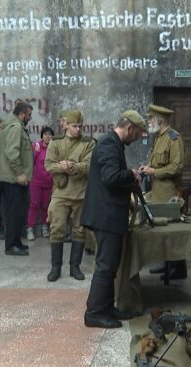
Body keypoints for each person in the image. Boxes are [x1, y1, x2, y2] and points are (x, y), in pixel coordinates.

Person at [80, 110, 146, 328]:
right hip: (105, 216)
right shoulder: (109, 144)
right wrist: (131, 175)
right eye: (136, 134)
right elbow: (110, 177)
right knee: (105, 266)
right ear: (129, 128)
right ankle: (94, 313)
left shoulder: (114, 144)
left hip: (109, 214)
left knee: (110, 265)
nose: (136, 139)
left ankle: (107, 307)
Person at [45, 111, 95, 281]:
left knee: (79, 231)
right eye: (74, 126)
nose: (78, 129)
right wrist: (62, 167)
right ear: (65, 125)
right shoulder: (56, 142)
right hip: (60, 193)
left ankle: (75, 267)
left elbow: (89, 166)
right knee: (56, 229)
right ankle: (55, 268)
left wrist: (72, 166)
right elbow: (48, 166)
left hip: (80, 193)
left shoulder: (89, 143)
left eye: (80, 126)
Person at [139, 104, 186, 280]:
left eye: (151, 118)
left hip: (168, 191)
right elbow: (158, 162)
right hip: (157, 190)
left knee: (172, 230)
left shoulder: (174, 138)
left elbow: (177, 166)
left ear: (160, 119)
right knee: (161, 230)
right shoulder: (159, 137)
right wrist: (148, 168)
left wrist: (154, 172)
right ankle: (166, 263)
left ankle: (178, 268)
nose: (149, 121)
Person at [0, 102, 34, 256]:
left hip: (11, 178)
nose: (30, 118)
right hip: (15, 179)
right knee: (14, 213)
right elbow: (11, 152)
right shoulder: (15, 127)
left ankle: (16, 242)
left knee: (16, 212)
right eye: (29, 115)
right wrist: (20, 173)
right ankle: (11, 246)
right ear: (22, 114)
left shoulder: (7, 126)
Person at [26, 126, 54, 241]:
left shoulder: (54, 148)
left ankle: (44, 227)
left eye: (50, 134)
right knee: (34, 205)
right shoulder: (36, 146)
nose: (48, 136)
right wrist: (35, 152)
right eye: (46, 134)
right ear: (42, 136)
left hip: (49, 182)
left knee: (46, 206)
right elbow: (30, 162)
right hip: (36, 182)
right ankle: (30, 228)